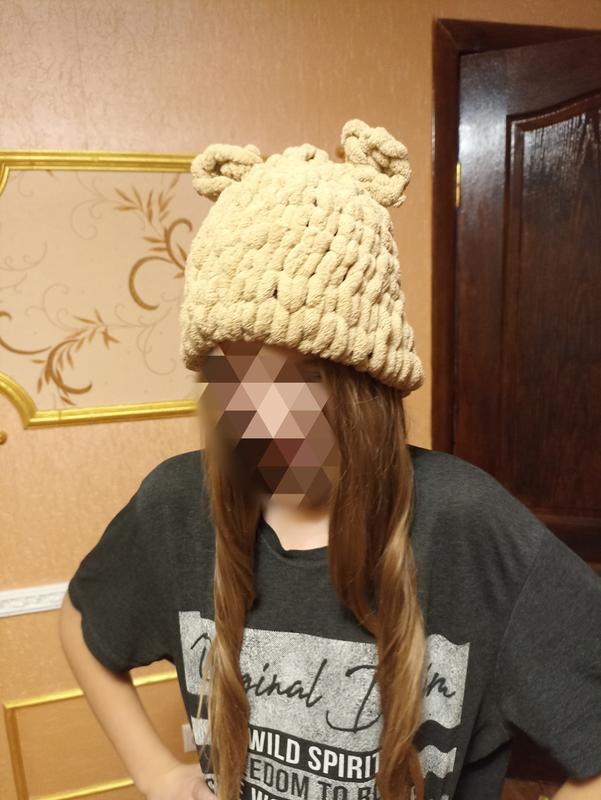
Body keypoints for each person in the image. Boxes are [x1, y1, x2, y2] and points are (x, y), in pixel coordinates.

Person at [59, 119, 601, 800]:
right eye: (235, 375)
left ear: (365, 386)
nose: (260, 416)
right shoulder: (176, 506)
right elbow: (81, 622)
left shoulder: (469, 525)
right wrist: (158, 773)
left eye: (302, 378)